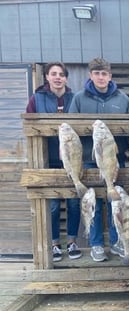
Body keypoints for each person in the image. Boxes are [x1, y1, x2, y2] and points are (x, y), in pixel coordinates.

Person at [69, 57, 129, 262]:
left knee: (116, 202)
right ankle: (96, 244)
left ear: (110, 76)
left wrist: (124, 150)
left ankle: (117, 242)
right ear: (91, 75)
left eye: (104, 73)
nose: (100, 77)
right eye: (96, 73)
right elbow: (72, 129)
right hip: (89, 159)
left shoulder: (122, 99)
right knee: (94, 203)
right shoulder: (79, 98)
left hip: (114, 160)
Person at [26, 62, 82, 262]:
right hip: (48, 159)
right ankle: (55, 243)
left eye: (61, 74)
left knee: (74, 203)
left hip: (72, 158)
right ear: (47, 77)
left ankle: (73, 241)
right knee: (53, 206)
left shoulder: (74, 98)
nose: (58, 77)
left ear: (66, 78)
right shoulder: (37, 99)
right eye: (54, 74)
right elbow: (29, 126)